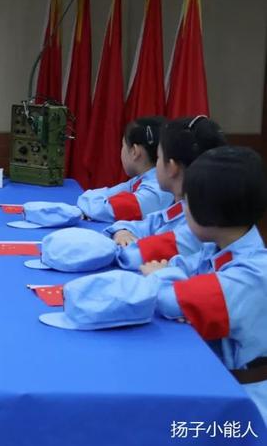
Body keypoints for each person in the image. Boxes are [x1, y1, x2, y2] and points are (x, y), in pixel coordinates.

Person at [141, 146, 267, 423]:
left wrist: (158, 276)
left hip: (247, 402)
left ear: (205, 210)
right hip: (222, 381)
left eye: (186, 201)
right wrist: (169, 273)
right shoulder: (220, 248)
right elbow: (183, 266)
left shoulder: (251, 273)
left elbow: (170, 299)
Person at [105, 116, 226, 269]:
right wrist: (121, 231)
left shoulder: (199, 223)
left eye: (159, 158)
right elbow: (146, 224)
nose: (156, 166)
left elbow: (131, 257)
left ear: (172, 167)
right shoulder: (183, 206)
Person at [77, 116, 173, 222]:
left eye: (123, 145)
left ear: (135, 151)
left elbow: (101, 209)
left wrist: (85, 198)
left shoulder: (154, 192)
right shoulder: (143, 178)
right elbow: (109, 193)